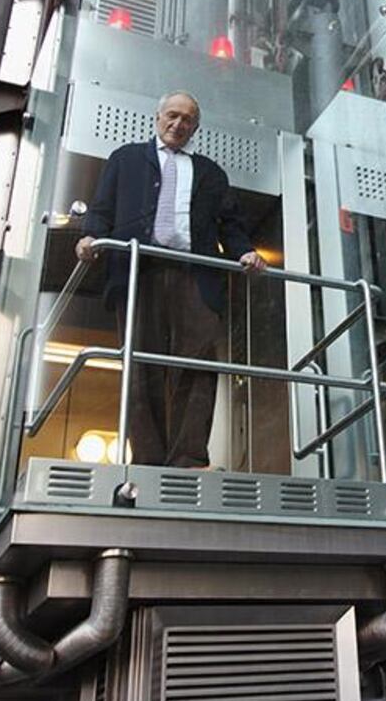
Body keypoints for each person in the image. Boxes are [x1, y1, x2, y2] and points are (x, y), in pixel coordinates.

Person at [76, 90, 265, 468]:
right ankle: (147, 459)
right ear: (158, 116)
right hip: (137, 270)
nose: (178, 125)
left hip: (194, 274)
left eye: (187, 120)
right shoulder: (125, 159)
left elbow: (230, 223)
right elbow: (102, 208)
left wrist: (244, 250)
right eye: (172, 116)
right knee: (141, 364)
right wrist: (89, 235)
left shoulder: (210, 172)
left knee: (197, 363)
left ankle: (187, 457)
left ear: (195, 127)